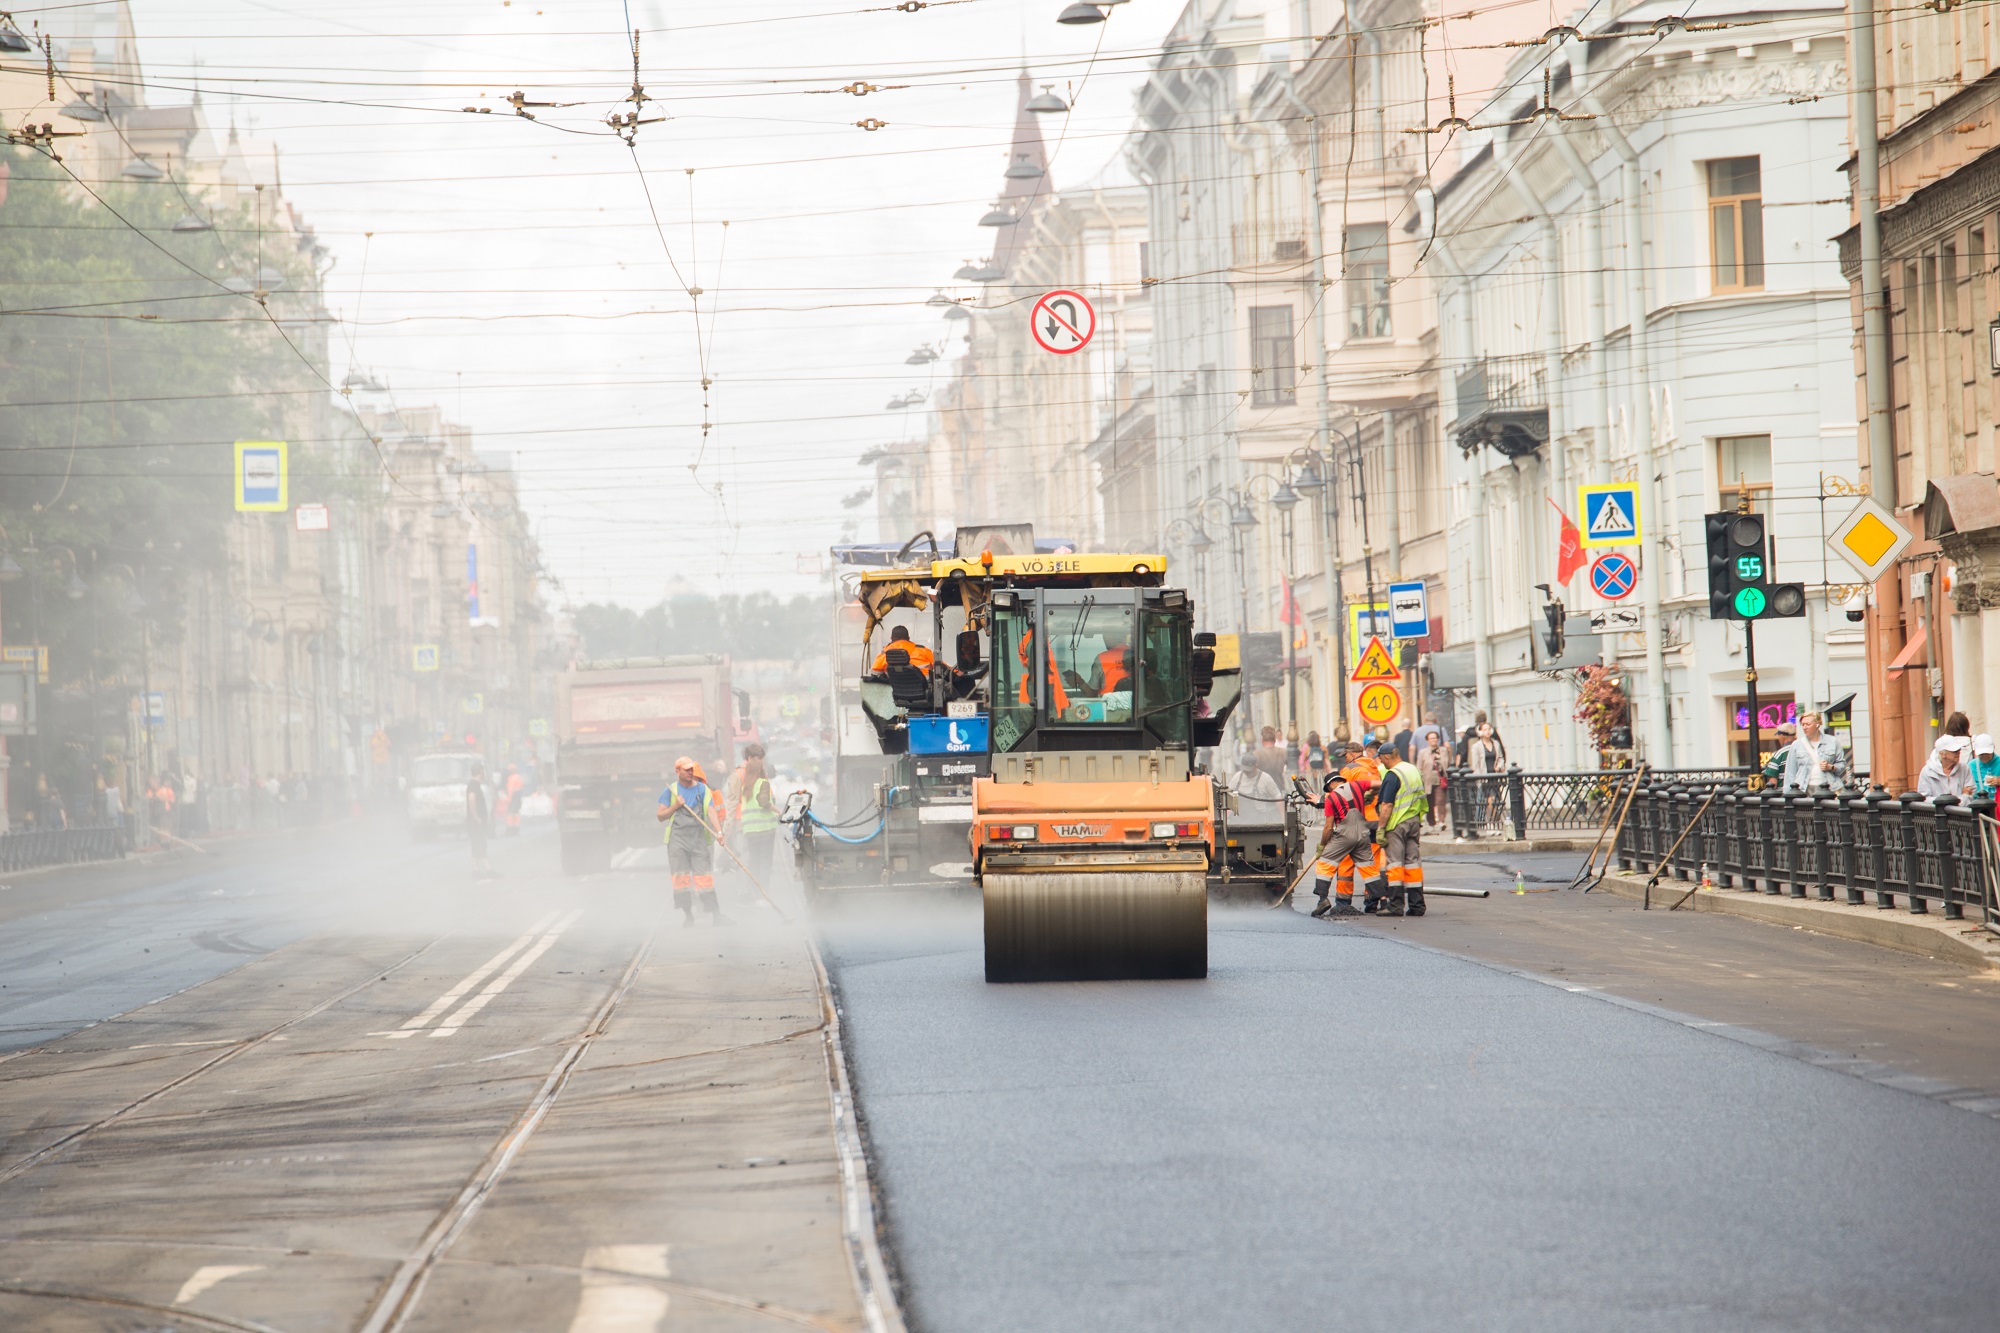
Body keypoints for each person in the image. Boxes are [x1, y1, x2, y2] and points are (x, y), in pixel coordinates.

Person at [657, 756, 729, 925]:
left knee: (705, 878)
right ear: (677, 772)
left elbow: (711, 811)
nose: (690, 772)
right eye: (686, 770)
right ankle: (688, 915)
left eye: (692, 769)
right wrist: (675, 806)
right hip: (677, 841)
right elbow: (660, 816)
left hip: (698, 839)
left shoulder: (703, 790)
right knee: (681, 881)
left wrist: (719, 832)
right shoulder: (670, 791)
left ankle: (716, 914)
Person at [1308, 771, 1375, 919]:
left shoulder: (1332, 797)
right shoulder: (1357, 786)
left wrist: (1322, 845)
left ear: (1331, 784)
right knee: (1369, 868)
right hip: (1366, 832)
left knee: (1324, 864)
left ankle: (1322, 900)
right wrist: (1372, 793)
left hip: (1345, 835)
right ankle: (1381, 900)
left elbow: (1328, 827)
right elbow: (1379, 784)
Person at [1374, 750, 1429, 916]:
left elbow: (1387, 805)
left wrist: (1381, 829)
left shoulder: (1393, 775)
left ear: (1386, 757)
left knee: (1395, 864)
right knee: (1413, 863)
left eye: (1381, 759)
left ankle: (1396, 906)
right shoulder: (1412, 769)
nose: (1382, 762)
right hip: (1413, 821)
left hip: (1397, 823)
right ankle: (1417, 905)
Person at [735, 750, 781, 891]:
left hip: (750, 830)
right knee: (765, 863)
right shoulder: (763, 783)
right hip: (765, 829)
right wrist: (779, 811)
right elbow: (763, 802)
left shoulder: (746, 786)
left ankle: (752, 892)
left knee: (754, 862)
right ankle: (763, 893)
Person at [1781, 711, 1848, 793]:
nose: (1805, 727)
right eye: (1803, 724)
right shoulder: (1797, 745)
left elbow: (1841, 764)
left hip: (1829, 787)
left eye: (1808, 724)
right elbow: (1790, 772)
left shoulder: (1833, 741)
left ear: (1817, 724)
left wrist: (1830, 767)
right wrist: (1788, 794)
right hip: (1804, 789)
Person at [1232, 751, 1285, 825]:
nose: (1246, 773)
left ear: (1256, 766)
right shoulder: (1237, 777)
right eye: (1245, 770)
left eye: (1249, 771)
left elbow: (1278, 798)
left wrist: (1283, 819)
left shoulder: (1265, 778)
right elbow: (1228, 796)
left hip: (1259, 821)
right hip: (1238, 820)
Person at [465, 762, 497, 880]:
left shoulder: (473, 784)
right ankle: (488, 869)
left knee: (476, 845)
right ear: (480, 772)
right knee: (480, 844)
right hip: (476, 822)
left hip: (474, 821)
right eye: (482, 771)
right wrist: (476, 817)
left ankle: (476, 870)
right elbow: (471, 799)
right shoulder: (474, 785)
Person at [1917, 735, 1973, 801]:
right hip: (1937, 811)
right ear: (1942, 754)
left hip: (1961, 811)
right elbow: (1924, 800)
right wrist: (1958, 799)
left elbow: (1971, 795)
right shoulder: (1927, 771)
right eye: (1954, 751)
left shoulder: (1964, 768)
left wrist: (1964, 797)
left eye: (1959, 750)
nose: (1958, 753)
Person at [1416, 730, 1449, 828]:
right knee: (1429, 802)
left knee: (1440, 800)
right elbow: (1419, 767)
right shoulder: (1423, 752)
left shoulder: (1443, 750)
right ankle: (1431, 822)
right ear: (1427, 740)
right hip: (1428, 779)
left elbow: (1447, 764)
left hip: (1440, 778)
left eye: (1435, 738)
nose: (1434, 740)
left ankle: (1441, 821)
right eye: (1431, 738)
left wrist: (1439, 758)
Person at [870, 624, 935, 674]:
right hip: (923, 689)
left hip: (896, 690)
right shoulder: (923, 651)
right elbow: (941, 666)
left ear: (892, 639)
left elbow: (875, 672)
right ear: (908, 638)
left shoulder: (885, 653)